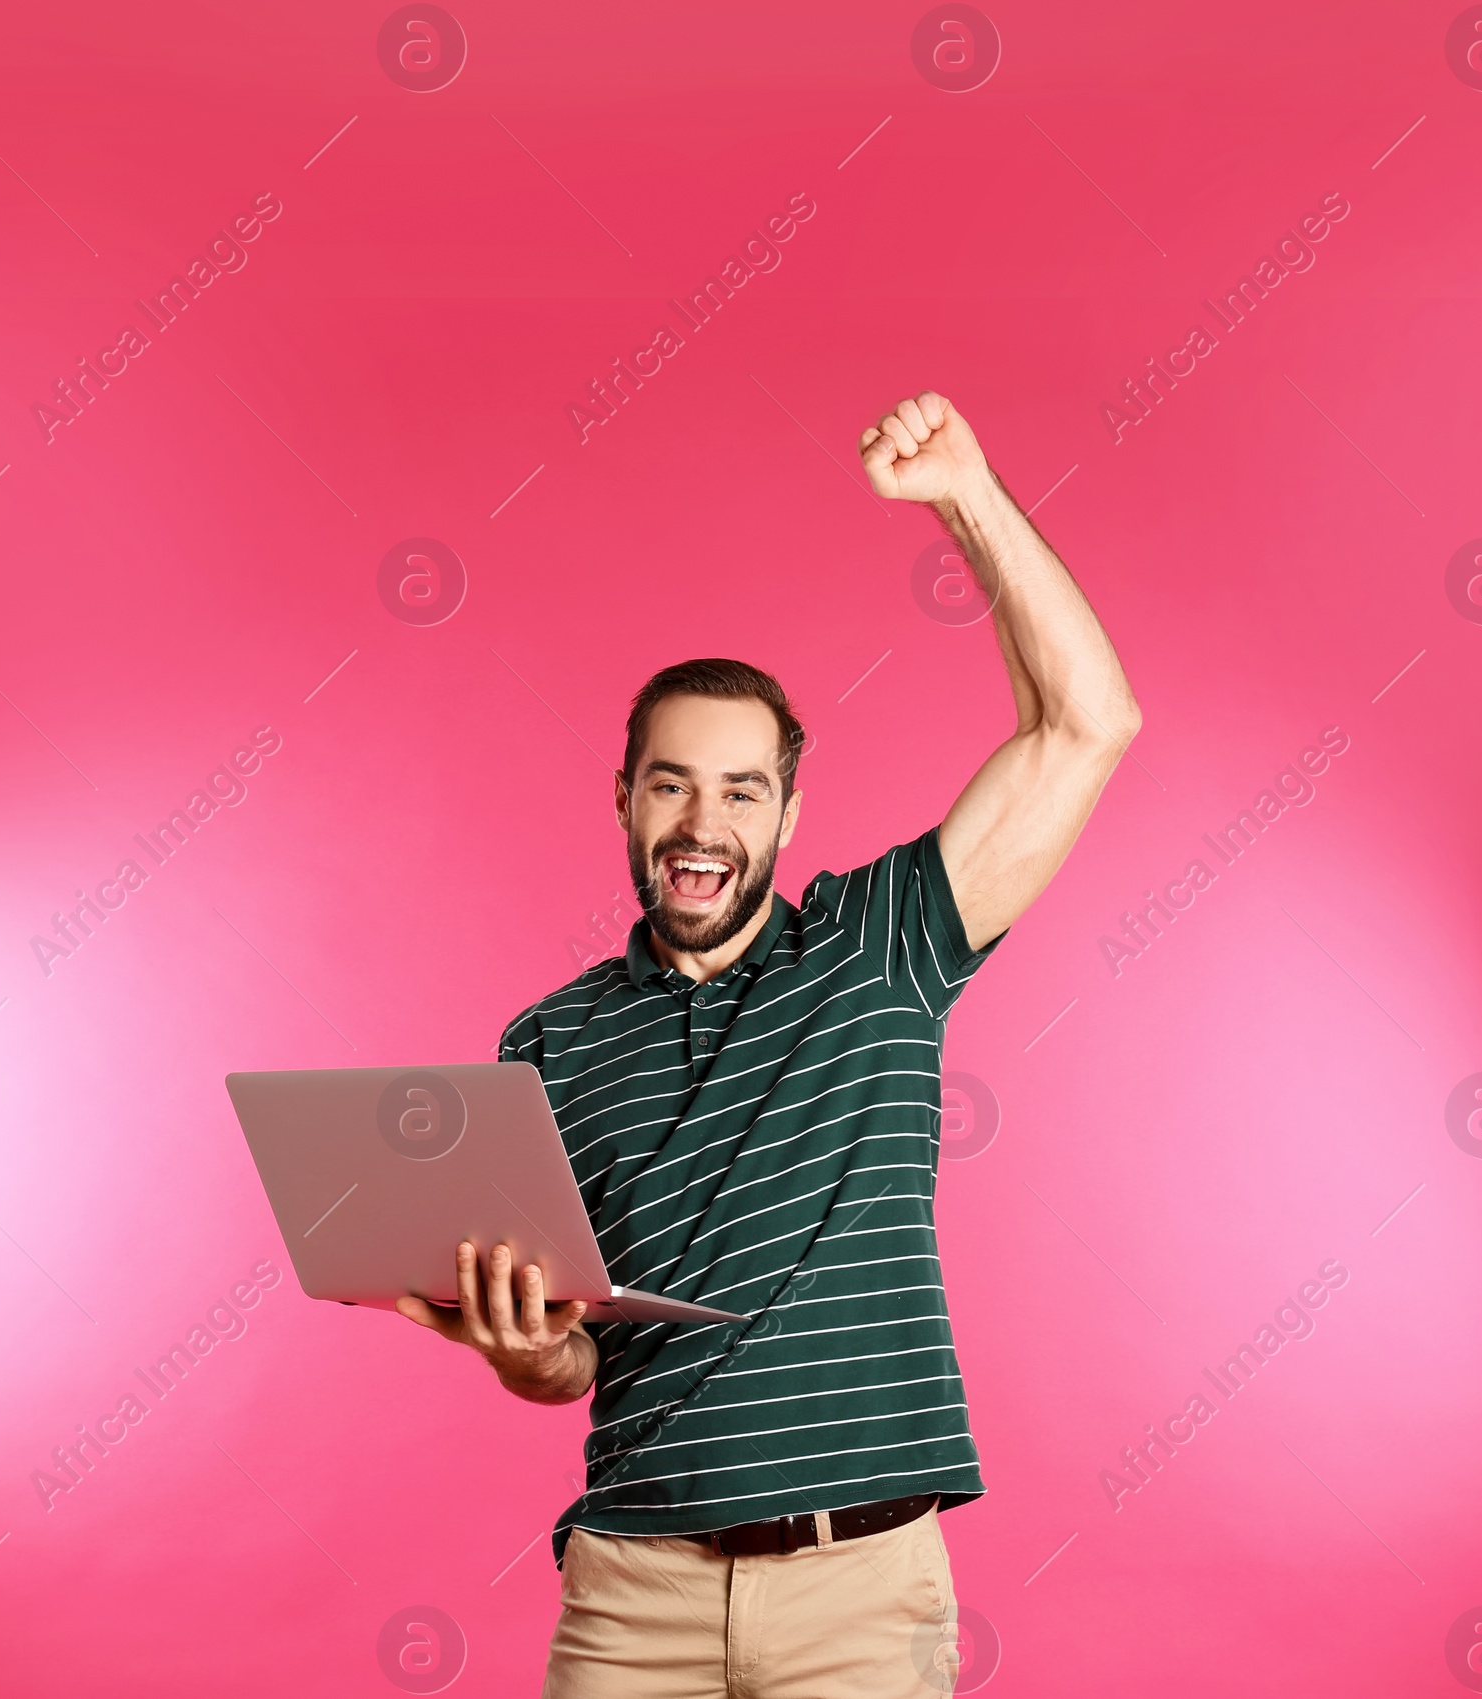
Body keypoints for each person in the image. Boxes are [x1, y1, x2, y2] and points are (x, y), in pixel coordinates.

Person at [398, 391, 1141, 1697]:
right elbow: (576, 1358)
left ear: (791, 814)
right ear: (624, 800)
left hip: (864, 1597)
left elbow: (1085, 724)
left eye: (742, 788)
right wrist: (524, 1354)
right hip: (631, 1594)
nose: (703, 820)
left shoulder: (885, 944)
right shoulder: (551, 1040)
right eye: (672, 781)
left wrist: (967, 492)